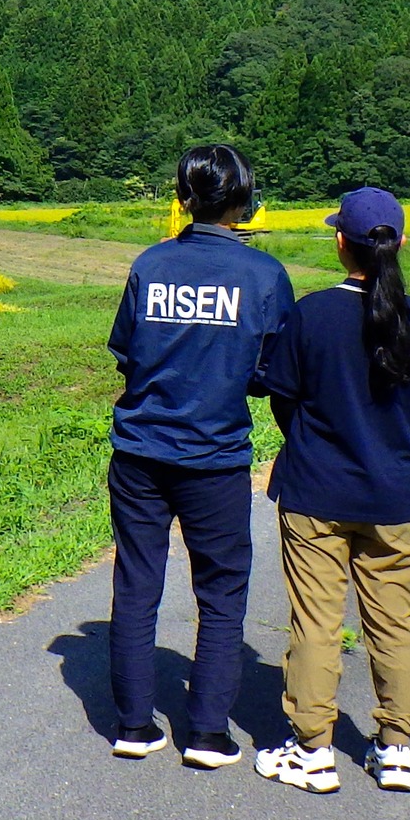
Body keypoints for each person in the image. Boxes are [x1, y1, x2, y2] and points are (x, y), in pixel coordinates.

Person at [255, 187, 410, 794]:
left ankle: (312, 752)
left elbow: (282, 399)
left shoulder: (309, 315)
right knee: (394, 622)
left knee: (316, 621)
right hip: (392, 496)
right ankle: (395, 749)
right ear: (401, 242)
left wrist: (316, 443)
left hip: (315, 493)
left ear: (340, 241)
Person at [106, 145, 295, 768]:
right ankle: (208, 733)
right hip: (214, 456)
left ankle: (134, 725)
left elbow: (128, 353)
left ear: (183, 197)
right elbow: (273, 373)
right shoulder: (264, 276)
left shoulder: (150, 264)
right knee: (220, 589)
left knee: (138, 581)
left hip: (139, 451)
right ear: (244, 199)